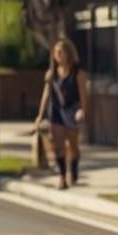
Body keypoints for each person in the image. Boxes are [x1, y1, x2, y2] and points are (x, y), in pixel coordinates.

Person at [34, 37, 87, 190]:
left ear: (68, 54)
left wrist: (83, 111)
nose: (58, 56)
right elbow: (46, 95)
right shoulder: (52, 74)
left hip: (72, 111)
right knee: (58, 145)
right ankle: (63, 177)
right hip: (56, 111)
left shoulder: (78, 73)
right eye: (56, 53)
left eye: (61, 52)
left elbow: (83, 94)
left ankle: (74, 171)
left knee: (73, 146)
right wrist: (40, 114)